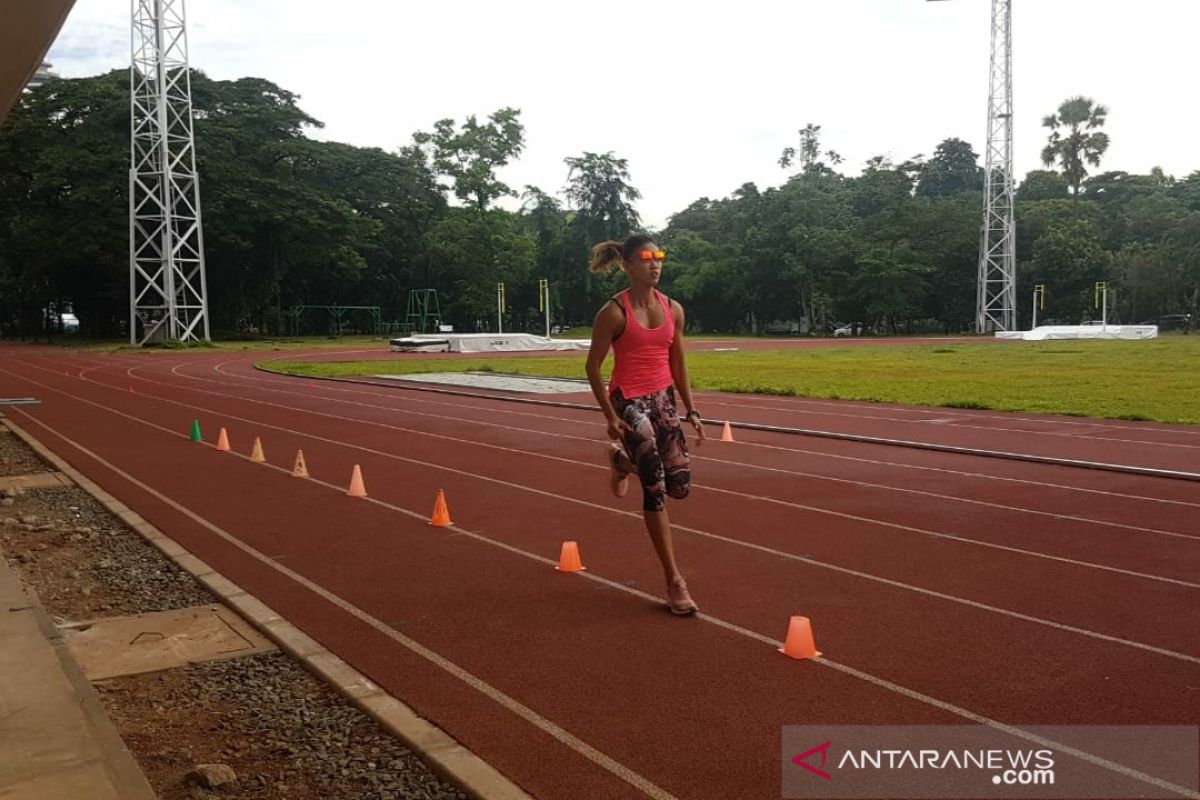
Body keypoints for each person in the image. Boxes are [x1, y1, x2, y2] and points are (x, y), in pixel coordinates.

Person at [584, 234, 705, 615]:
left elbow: (679, 364)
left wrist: (692, 410)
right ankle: (674, 581)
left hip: (662, 400)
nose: (655, 265)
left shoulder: (674, 310)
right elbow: (592, 366)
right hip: (629, 401)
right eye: (646, 259)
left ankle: (622, 463)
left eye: (659, 258)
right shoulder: (613, 313)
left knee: (678, 486)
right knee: (654, 482)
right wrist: (610, 416)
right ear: (628, 265)